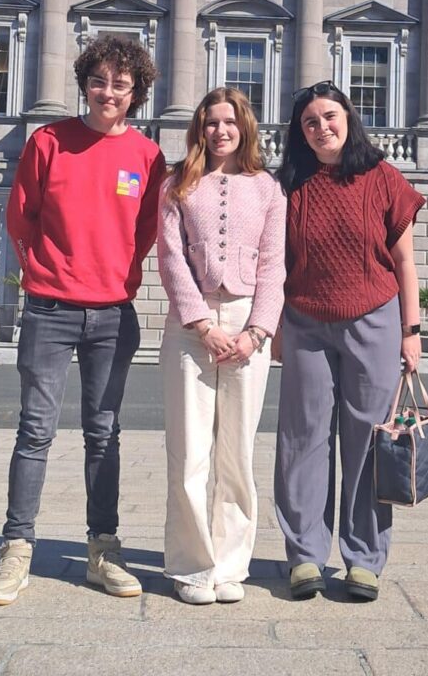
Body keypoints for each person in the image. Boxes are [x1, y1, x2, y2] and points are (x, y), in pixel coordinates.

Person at [0, 35, 166, 606]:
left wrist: (117, 274)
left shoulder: (147, 156)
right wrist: (41, 268)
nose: (108, 92)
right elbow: (21, 217)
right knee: (35, 430)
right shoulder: (48, 142)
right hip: (50, 309)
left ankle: (103, 548)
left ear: (136, 93)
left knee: (103, 434)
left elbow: (146, 231)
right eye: (98, 81)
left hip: (113, 314)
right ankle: (17, 547)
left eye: (120, 84)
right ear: (85, 83)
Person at [274, 80, 425, 603]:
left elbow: (405, 262)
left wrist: (411, 332)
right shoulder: (288, 185)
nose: (321, 128)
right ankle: (304, 555)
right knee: (303, 437)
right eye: (310, 122)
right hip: (305, 322)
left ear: (348, 118)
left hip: (374, 321)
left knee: (367, 441)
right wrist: (276, 327)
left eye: (329, 117)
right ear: (300, 132)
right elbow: (275, 264)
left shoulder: (383, 178)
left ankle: (363, 559)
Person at [157, 87, 287, 605]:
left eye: (229, 122)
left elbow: (274, 266)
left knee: (237, 453)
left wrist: (257, 332)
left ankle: (231, 566)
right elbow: (170, 258)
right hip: (191, 326)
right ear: (200, 128)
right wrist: (201, 324)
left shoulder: (268, 188)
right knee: (189, 450)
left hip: (248, 322)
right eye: (211, 122)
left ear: (244, 127)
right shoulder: (177, 184)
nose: (220, 130)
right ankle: (192, 567)